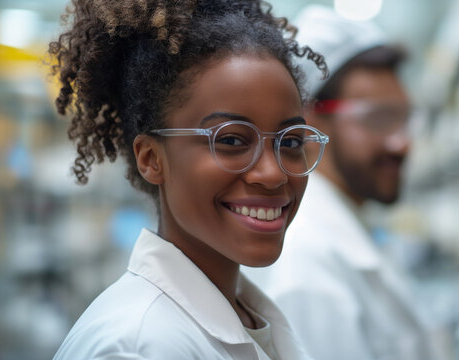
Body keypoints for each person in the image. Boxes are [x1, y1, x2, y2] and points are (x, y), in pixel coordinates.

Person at [47, 0, 329, 359]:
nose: (273, 174)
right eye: (230, 140)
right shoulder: (138, 347)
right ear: (152, 159)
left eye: (290, 142)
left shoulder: (246, 316)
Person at [245, 5, 434, 360]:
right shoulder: (306, 268)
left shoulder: (348, 230)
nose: (402, 142)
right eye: (378, 119)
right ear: (311, 121)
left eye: (404, 118)